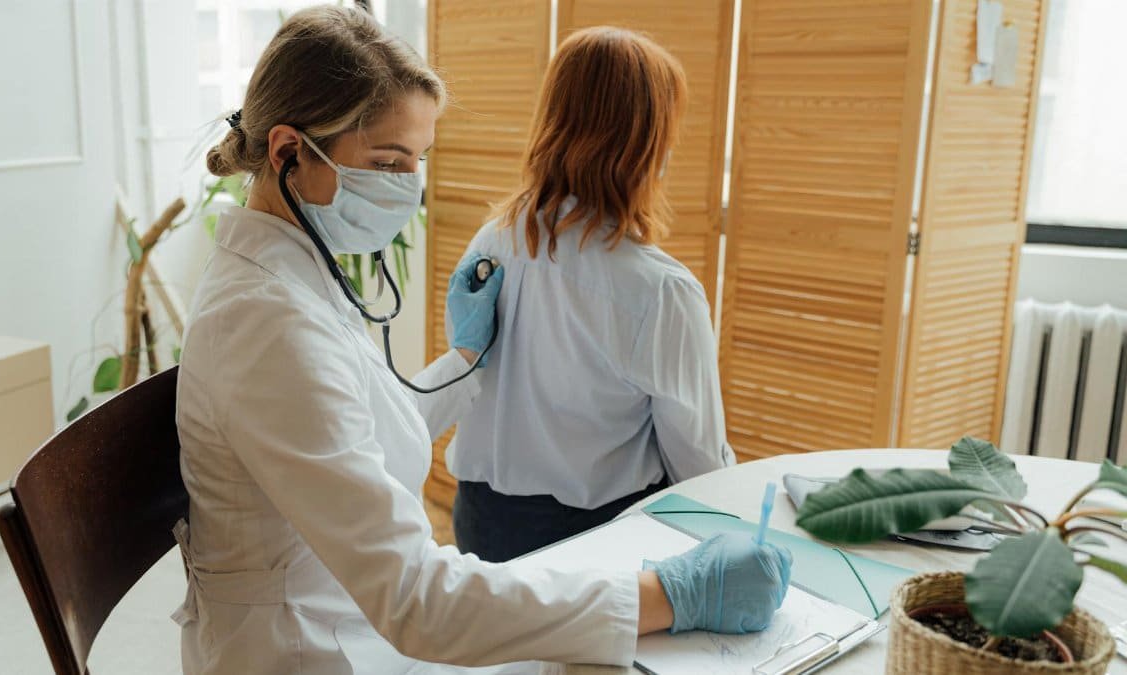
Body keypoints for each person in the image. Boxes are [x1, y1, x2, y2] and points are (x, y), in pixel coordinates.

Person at [174, 6, 790, 673]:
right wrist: (672, 592)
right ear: (289, 151)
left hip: (361, 609)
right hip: (316, 648)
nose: (408, 185)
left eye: (417, 160)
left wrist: (467, 359)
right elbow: (418, 602)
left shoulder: (294, 277)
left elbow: (351, 436)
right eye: (387, 161)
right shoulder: (269, 326)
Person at [449, 27, 733, 563]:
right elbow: (699, 468)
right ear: (644, 141)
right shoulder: (662, 291)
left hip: (480, 527)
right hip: (595, 543)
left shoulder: (491, 242)